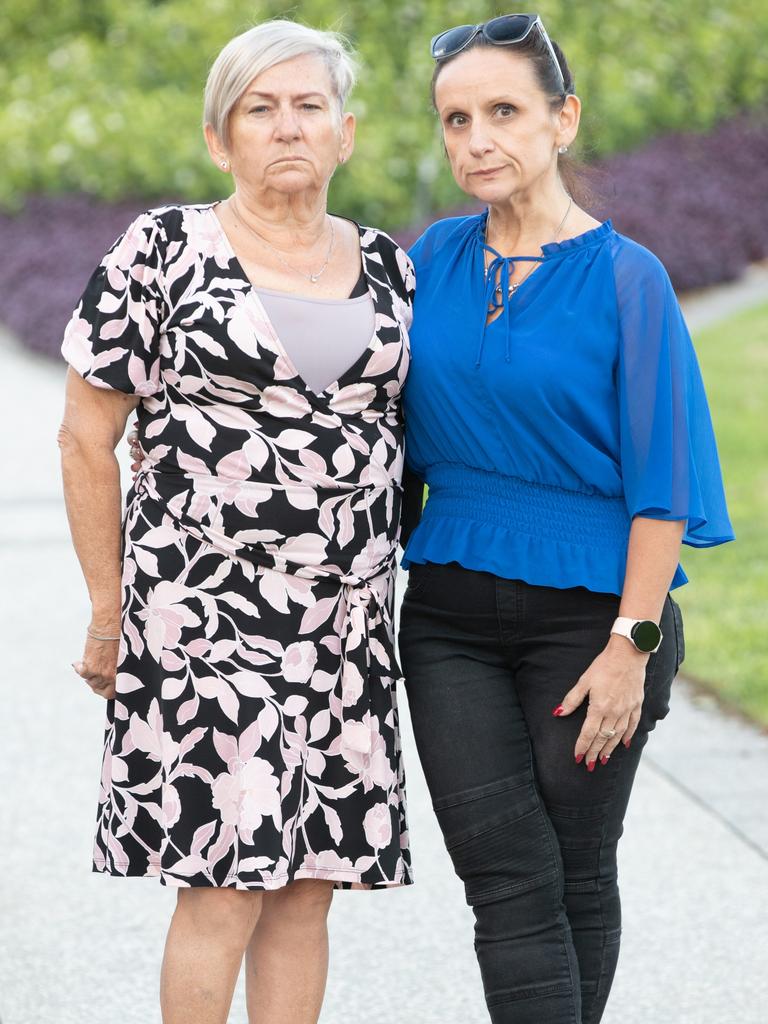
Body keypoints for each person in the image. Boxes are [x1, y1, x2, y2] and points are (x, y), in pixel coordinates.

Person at [58, 20, 414, 1024]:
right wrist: (106, 608)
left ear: (346, 133)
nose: (286, 127)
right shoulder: (162, 250)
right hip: (203, 620)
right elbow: (87, 437)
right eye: (260, 109)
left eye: (308, 107)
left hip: (343, 631)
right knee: (222, 886)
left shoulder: (393, 269)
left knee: (308, 890)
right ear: (222, 139)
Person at [398, 13, 733, 1024]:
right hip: (449, 619)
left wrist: (632, 642)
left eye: (503, 112)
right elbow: (357, 410)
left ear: (562, 119)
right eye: (456, 121)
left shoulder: (629, 279)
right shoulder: (427, 263)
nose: (476, 142)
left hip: (593, 623)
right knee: (504, 876)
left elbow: (664, 482)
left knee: (573, 873)